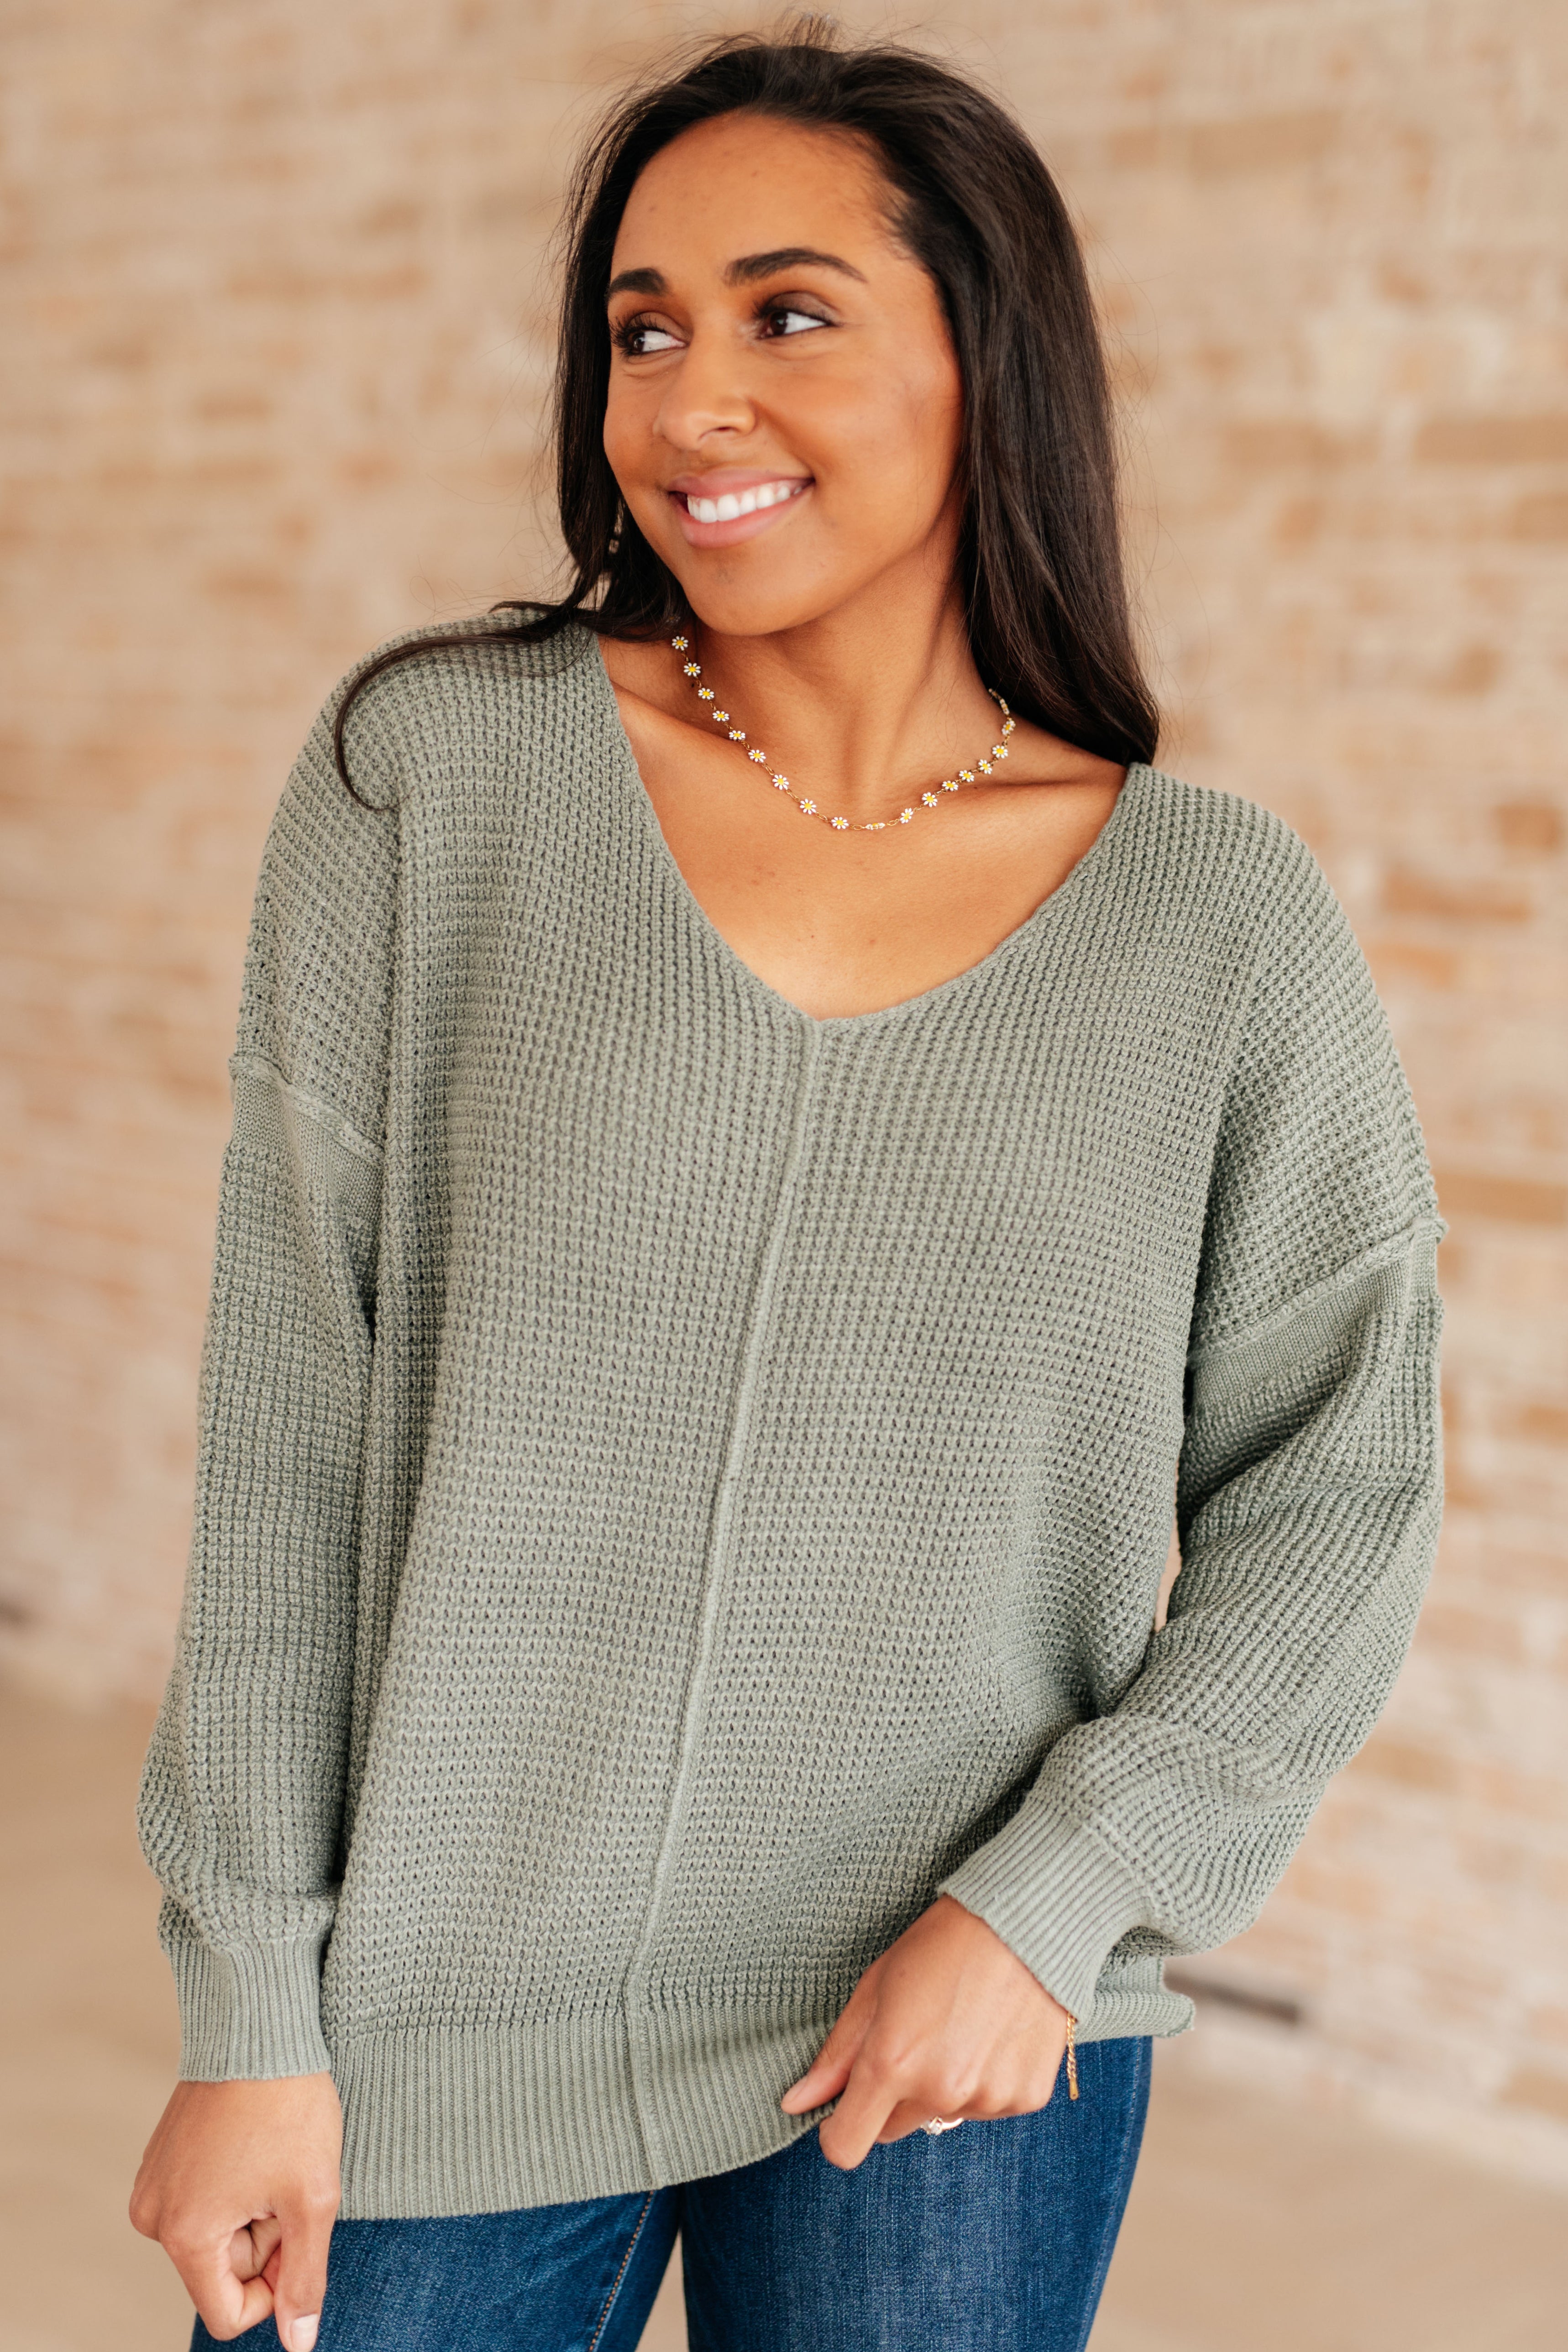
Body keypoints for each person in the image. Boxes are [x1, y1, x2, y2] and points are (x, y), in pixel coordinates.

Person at [129, 25, 1445, 2352]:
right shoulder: (431, 781)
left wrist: (1054, 1901)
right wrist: (249, 1998)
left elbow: (1336, 1482)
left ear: (983, 358)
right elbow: (287, 1442)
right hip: (438, 2016)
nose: (688, 399)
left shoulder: (1214, 921)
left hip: (941, 2040)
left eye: (788, 312)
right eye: (642, 330)